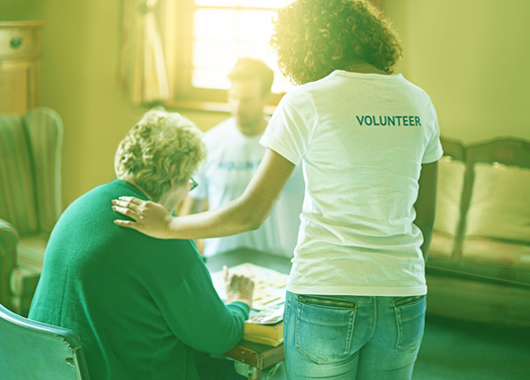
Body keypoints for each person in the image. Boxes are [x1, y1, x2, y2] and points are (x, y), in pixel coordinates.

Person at [112, 1, 443, 379]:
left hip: (325, 293)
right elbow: (426, 217)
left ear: (309, 45)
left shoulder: (306, 101)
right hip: (404, 293)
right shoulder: (419, 102)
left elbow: (251, 212)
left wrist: (169, 225)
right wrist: (404, 276)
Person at [29, 108, 254, 380]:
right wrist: (240, 301)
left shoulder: (80, 207)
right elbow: (219, 337)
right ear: (174, 173)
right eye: (190, 183)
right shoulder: (162, 236)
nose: (187, 193)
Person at [180, 57, 304, 258]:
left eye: (246, 100)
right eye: (233, 97)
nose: (237, 107)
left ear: (265, 97)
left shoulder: (288, 142)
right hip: (219, 259)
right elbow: (190, 210)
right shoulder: (209, 143)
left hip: (275, 261)